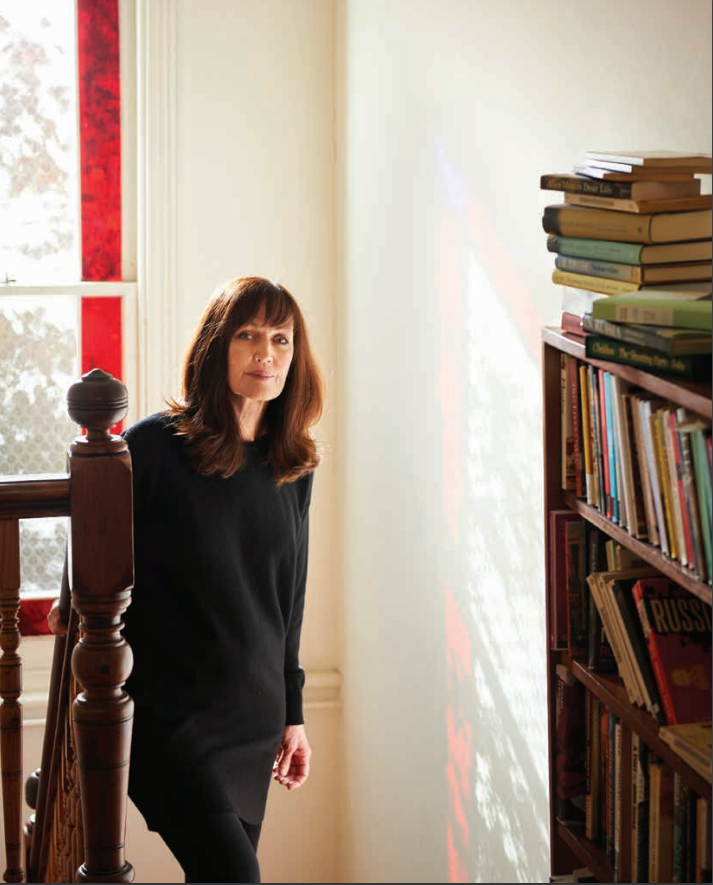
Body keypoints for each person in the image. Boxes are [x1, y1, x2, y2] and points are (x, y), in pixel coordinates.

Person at [49, 275, 324, 883]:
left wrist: (293, 712)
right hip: (170, 716)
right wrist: (69, 600)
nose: (266, 353)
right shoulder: (152, 447)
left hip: (253, 713)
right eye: (248, 335)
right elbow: (91, 536)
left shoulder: (293, 464)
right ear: (215, 347)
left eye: (282, 339)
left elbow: (290, 600)